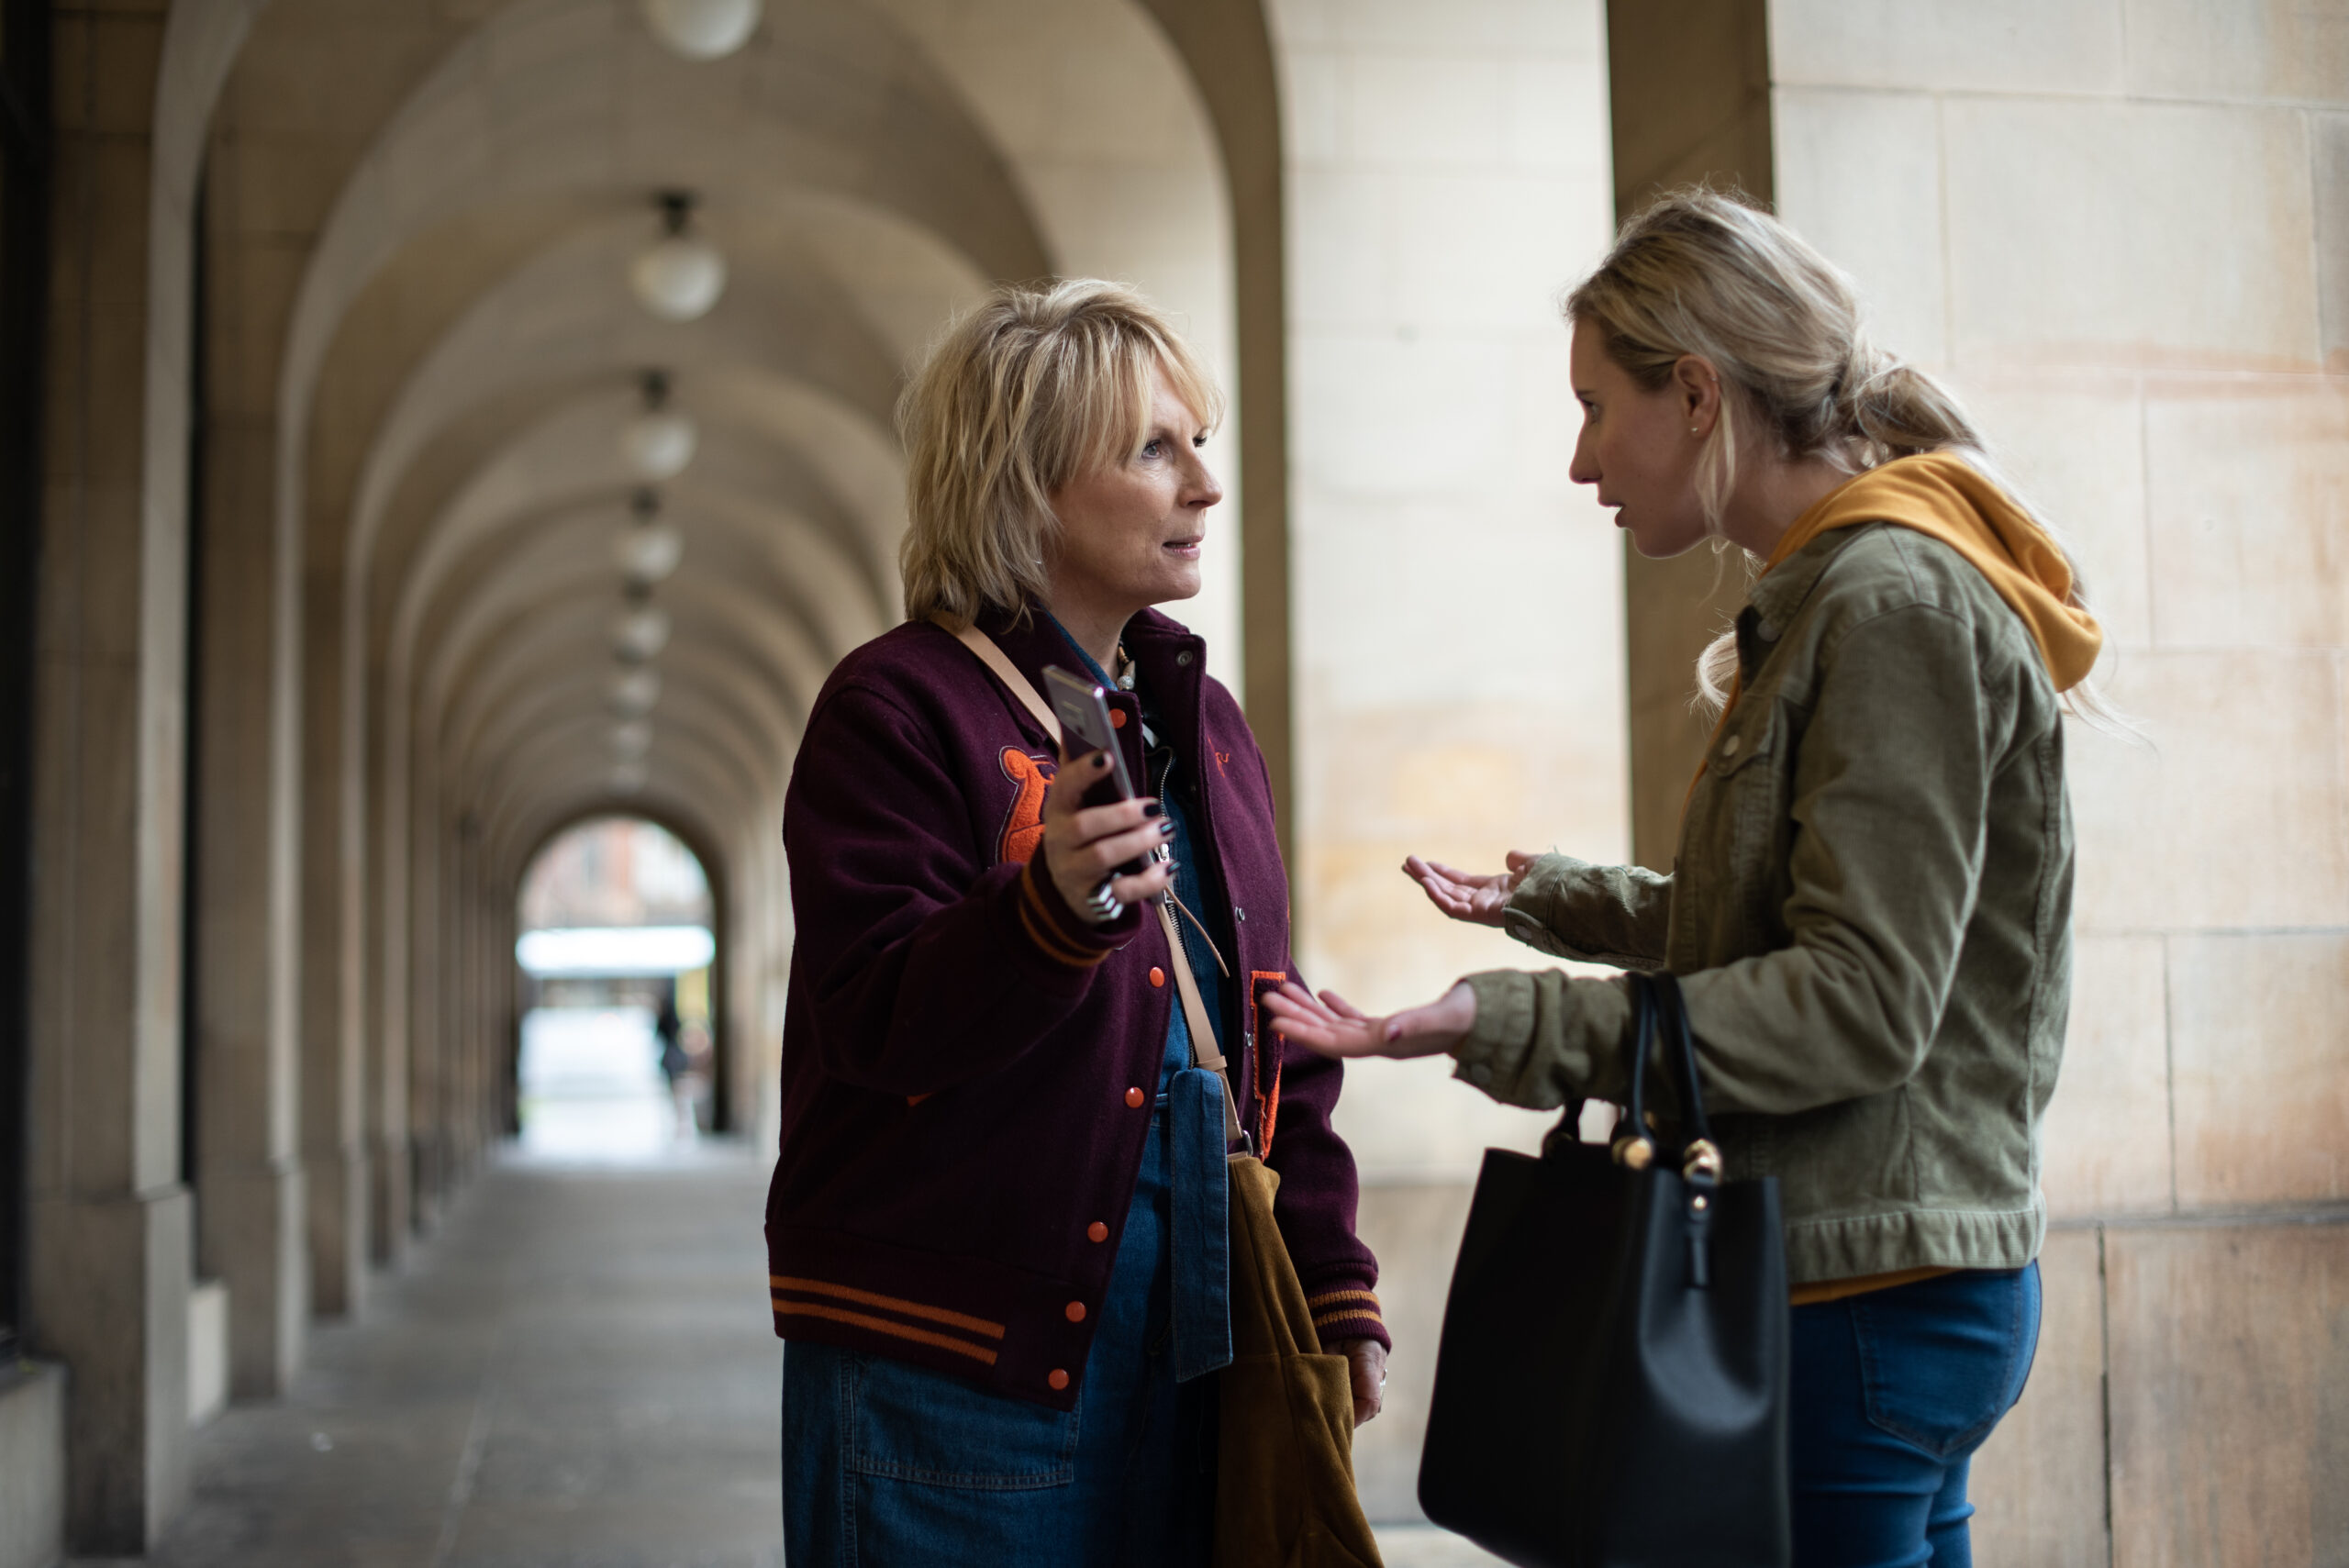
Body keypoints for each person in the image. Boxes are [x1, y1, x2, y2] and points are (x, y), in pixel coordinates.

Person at [1264, 189, 2103, 1567]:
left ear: (1699, 396)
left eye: (1599, 404)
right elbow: (1785, 927)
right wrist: (1562, 899)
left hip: (1866, 1294)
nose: (1581, 455)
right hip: (1873, 1280)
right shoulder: (1848, 594)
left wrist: (1507, 1020)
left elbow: (1860, 999)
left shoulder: (1888, 603)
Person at [765, 280, 1389, 1565]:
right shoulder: (895, 706)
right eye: (1154, 450)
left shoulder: (1201, 720)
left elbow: (1272, 1016)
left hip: (1189, 1349)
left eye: (1198, 443)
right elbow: (875, 1018)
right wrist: (1045, 912)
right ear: (1026, 482)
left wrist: (1332, 1274)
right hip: (950, 1376)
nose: (1204, 488)